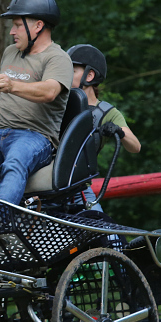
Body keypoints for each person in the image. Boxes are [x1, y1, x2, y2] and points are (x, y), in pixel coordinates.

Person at [0, 0, 73, 206]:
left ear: (38, 26)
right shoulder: (10, 52)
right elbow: (11, 93)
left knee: (15, 161)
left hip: (36, 137)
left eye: (17, 25)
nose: (11, 32)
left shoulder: (58, 58)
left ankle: (0, 226)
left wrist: (12, 85)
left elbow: (50, 91)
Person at [67, 44, 140, 210]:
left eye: (72, 71)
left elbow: (135, 146)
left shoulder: (107, 113)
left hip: (79, 191)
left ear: (90, 75)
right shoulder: (55, 104)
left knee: (105, 233)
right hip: (46, 189)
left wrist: (118, 130)